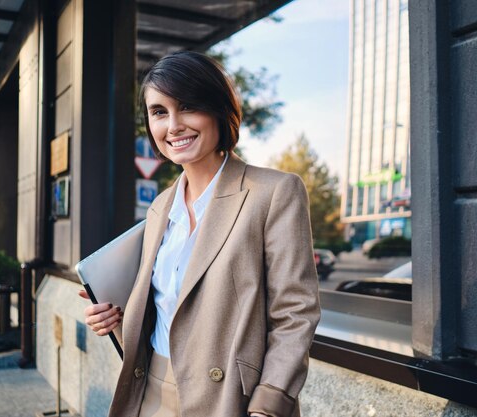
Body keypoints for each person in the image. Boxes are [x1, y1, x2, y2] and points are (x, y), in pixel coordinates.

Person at [80, 51, 320, 417]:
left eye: (188, 106)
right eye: (159, 112)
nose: (173, 125)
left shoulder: (274, 191)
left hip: (232, 400)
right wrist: (115, 316)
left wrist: (269, 403)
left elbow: (295, 313)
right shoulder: (161, 206)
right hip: (151, 389)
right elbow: (169, 309)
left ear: (219, 110)